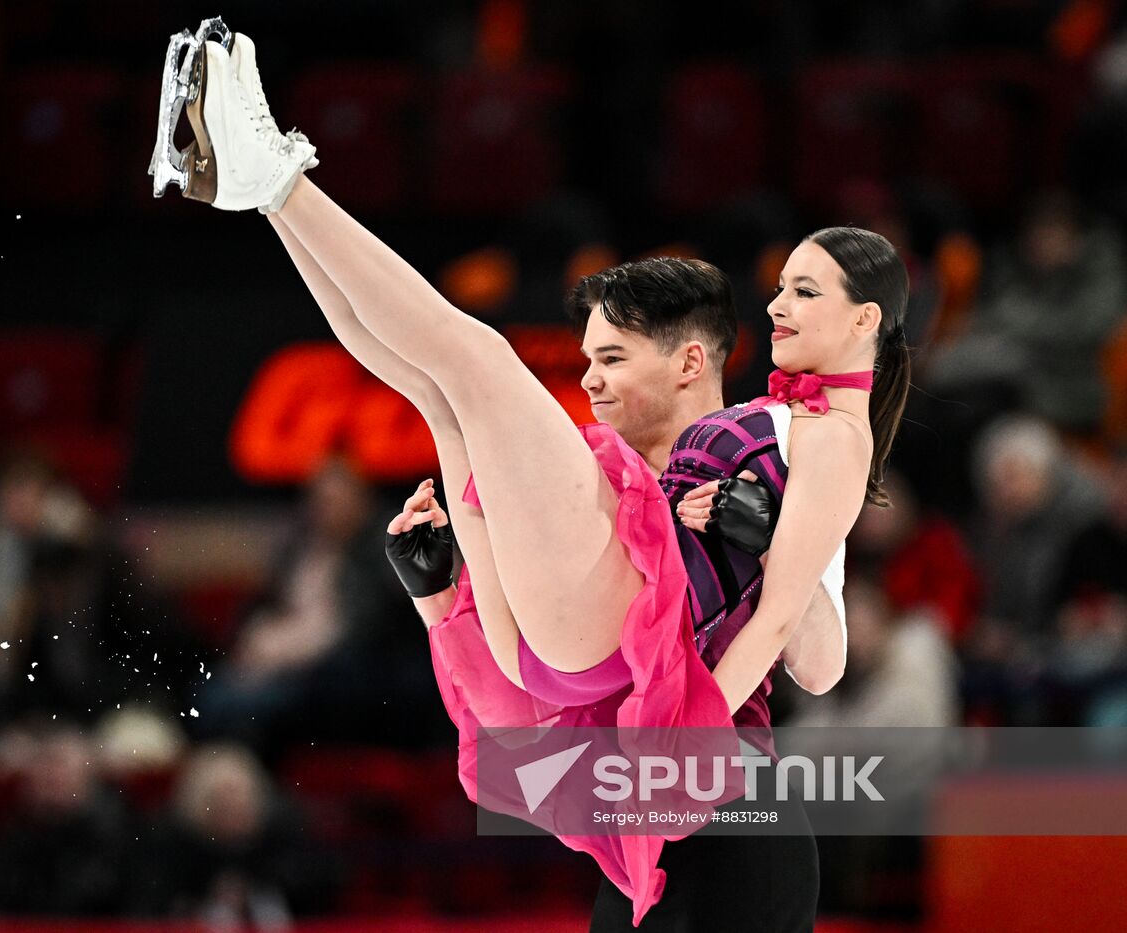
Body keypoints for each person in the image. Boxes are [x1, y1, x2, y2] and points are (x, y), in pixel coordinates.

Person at [174, 29, 911, 929]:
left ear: (688, 363)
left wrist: (753, 558)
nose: (588, 377)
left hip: (702, 773)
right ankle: (263, 196)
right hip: (594, 728)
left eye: (610, 356)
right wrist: (437, 595)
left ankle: (272, 177)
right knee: (442, 393)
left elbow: (820, 658)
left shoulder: (785, 433)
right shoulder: (636, 474)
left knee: (476, 361)